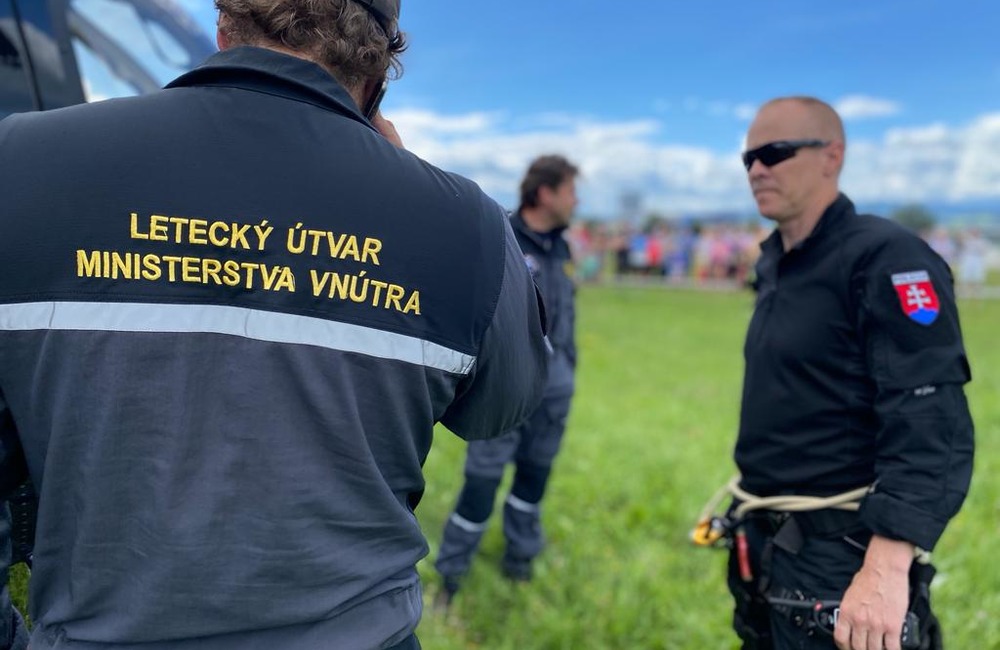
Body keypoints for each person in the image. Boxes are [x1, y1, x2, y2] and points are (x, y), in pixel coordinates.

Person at [0, 0, 549, 648]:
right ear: (378, 69)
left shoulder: (19, 163)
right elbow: (503, 408)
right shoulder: (466, 226)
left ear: (224, 31)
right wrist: (413, 186)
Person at [724, 97, 974, 650]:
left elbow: (931, 417)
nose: (757, 169)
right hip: (770, 541)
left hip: (844, 556)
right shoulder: (776, 262)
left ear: (831, 156)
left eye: (775, 152)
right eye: (749, 158)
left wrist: (885, 567)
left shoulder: (887, 257)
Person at [434, 154, 579, 604]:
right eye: (571, 189)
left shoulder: (562, 248)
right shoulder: (502, 239)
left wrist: (567, 373)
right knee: (482, 480)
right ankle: (451, 577)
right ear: (545, 192)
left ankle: (520, 560)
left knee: (533, 480)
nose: (577, 200)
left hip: (555, 394)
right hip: (507, 391)